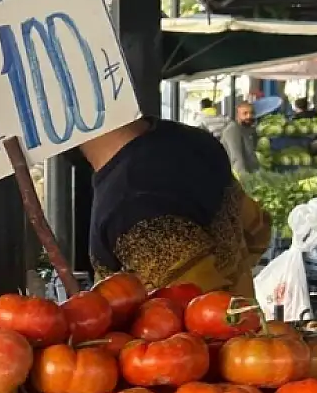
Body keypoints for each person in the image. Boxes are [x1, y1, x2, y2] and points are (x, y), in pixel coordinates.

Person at [75, 118, 271, 296]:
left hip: (223, 332)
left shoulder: (132, 202)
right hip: (249, 327)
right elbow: (258, 232)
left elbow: (189, 314)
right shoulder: (191, 139)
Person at [217, 101, 258, 175]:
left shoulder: (247, 130)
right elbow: (236, 159)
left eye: (251, 113)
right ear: (238, 115)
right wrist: (245, 181)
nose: (249, 116)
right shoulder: (233, 129)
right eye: (245, 113)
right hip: (235, 177)